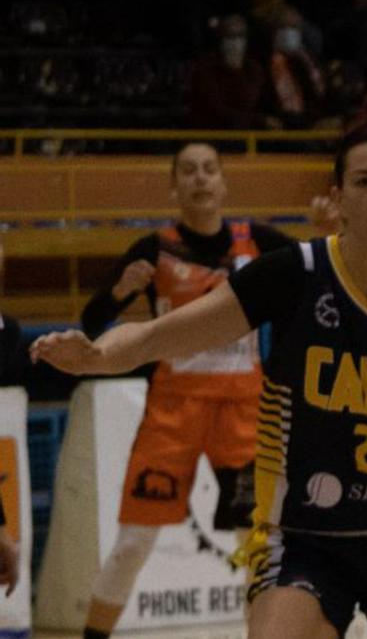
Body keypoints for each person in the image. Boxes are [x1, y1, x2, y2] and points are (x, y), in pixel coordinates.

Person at [33, 120, 367, 639]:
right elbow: (160, 335)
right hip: (306, 535)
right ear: (337, 198)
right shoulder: (292, 274)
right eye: (363, 182)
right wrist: (97, 355)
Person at [71, 142, 293, 639]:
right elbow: (90, 320)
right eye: (188, 171)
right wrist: (122, 291)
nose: (200, 179)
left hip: (244, 409)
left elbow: (315, 275)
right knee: (133, 542)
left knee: (256, 543)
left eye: (209, 169)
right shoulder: (154, 248)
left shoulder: (257, 240)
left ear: (223, 183)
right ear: (174, 186)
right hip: (173, 408)